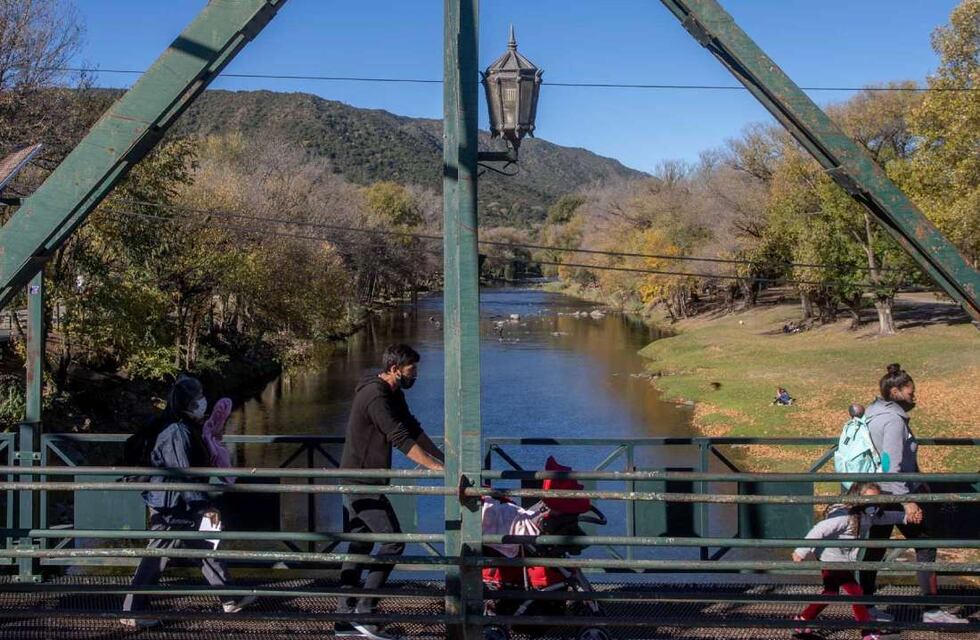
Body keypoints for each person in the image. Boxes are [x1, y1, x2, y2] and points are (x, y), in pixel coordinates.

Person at [121, 376, 254, 628]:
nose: (203, 401)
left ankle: (231, 598)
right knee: (158, 555)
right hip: (172, 502)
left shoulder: (178, 424)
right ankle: (132, 610)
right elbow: (182, 474)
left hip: (172, 499)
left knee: (201, 545)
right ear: (189, 402)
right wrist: (206, 506)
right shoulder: (176, 431)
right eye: (198, 398)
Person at [335, 344, 445, 639]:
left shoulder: (393, 393)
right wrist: (435, 468)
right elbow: (398, 438)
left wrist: (445, 460)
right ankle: (364, 612)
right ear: (396, 369)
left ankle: (345, 620)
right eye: (412, 370)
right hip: (360, 480)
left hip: (367, 479)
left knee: (360, 543)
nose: (416, 375)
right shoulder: (375, 395)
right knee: (394, 541)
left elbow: (412, 428)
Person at [858, 363, 968, 625]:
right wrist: (908, 503)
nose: (914, 397)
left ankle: (867, 607)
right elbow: (891, 466)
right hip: (894, 494)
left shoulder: (875, 411)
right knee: (925, 545)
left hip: (877, 492)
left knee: (874, 549)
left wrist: (919, 476)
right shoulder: (894, 421)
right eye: (911, 392)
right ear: (895, 391)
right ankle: (931, 611)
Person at [791, 482, 905, 640]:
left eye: (877, 499)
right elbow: (820, 529)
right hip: (831, 558)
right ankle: (868, 632)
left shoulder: (867, 514)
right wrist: (801, 550)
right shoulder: (844, 516)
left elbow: (885, 518)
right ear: (858, 498)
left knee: (830, 592)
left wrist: (906, 517)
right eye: (869, 499)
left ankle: (803, 621)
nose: (873, 504)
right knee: (856, 593)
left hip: (838, 558)